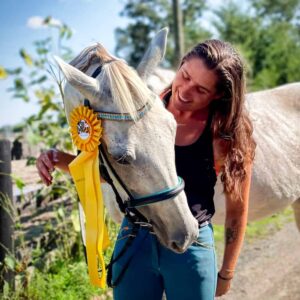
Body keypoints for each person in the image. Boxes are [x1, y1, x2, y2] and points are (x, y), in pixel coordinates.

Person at [36, 39, 255, 299]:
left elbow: (237, 213)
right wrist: (58, 159)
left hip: (189, 243)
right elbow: (113, 175)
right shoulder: (133, 111)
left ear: (218, 94)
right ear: (181, 64)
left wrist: (227, 272)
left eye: (201, 90)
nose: (185, 91)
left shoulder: (224, 136)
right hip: (134, 238)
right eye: (185, 76)